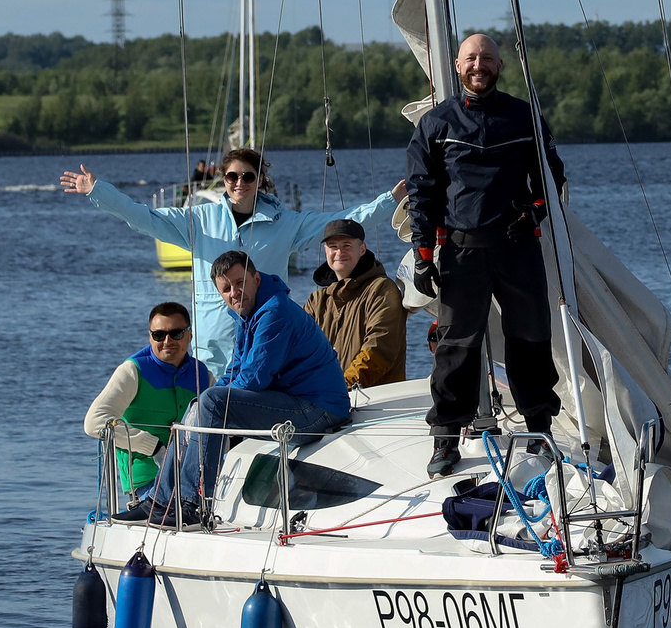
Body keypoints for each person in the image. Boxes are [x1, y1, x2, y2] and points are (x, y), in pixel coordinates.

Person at [59, 146, 401, 371]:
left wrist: (391, 199)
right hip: (212, 349)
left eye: (248, 176)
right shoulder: (198, 220)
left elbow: (346, 220)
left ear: (259, 180)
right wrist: (97, 191)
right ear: (223, 180)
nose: (240, 182)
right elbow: (142, 217)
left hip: (266, 343)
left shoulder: (286, 223)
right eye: (232, 176)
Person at [405, 31, 568, 478]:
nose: (480, 66)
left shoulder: (523, 117)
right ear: (458, 67)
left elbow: (551, 177)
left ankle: (540, 429)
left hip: (517, 246)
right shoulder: (436, 125)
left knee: (531, 341)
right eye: (471, 59)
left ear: (500, 65)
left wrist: (534, 214)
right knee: (456, 347)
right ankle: (444, 439)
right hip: (462, 251)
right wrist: (422, 256)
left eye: (488, 58)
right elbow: (422, 193)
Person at [118, 249, 350, 524]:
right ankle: (159, 500)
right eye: (226, 289)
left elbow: (254, 379)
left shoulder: (274, 312)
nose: (234, 292)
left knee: (211, 403)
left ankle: (192, 503)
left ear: (256, 278)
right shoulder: (248, 314)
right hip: (296, 402)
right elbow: (234, 371)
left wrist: (210, 402)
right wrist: (202, 405)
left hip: (320, 411)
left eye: (240, 282)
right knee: (200, 404)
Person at [82, 302, 214, 499]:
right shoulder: (133, 371)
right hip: (148, 482)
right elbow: (93, 423)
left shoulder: (203, 375)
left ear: (190, 335)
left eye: (176, 333)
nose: (167, 341)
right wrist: (152, 447)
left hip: (197, 478)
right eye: (159, 335)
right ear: (150, 337)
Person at [303, 217, 408, 389]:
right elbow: (299, 347)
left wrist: (342, 387)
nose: (339, 252)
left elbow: (379, 348)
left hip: (377, 399)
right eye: (333, 247)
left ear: (362, 249)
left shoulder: (382, 289)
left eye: (347, 246)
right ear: (325, 251)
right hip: (326, 398)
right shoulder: (317, 299)